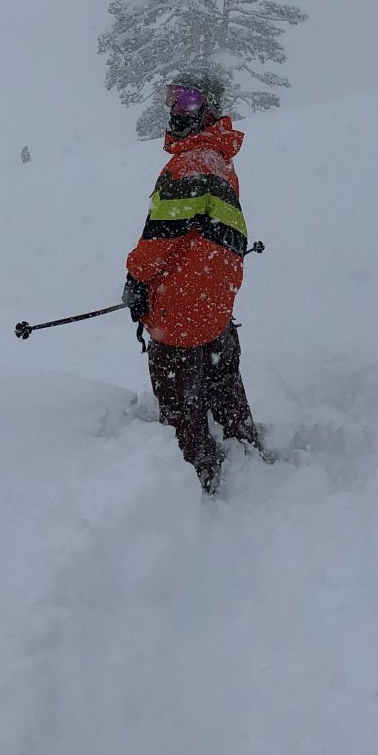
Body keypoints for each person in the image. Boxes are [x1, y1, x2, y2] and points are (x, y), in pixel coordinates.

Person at [122, 72, 263, 493]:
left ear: (208, 107)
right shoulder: (219, 162)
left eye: (186, 98)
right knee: (221, 383)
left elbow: (159, 238)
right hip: (214, 305)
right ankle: (244, 448)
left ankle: (194, 474)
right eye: (172, 97)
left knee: (181, 399)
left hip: (181, 307)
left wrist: (136, 278)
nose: (175, 107)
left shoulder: (191, 163)